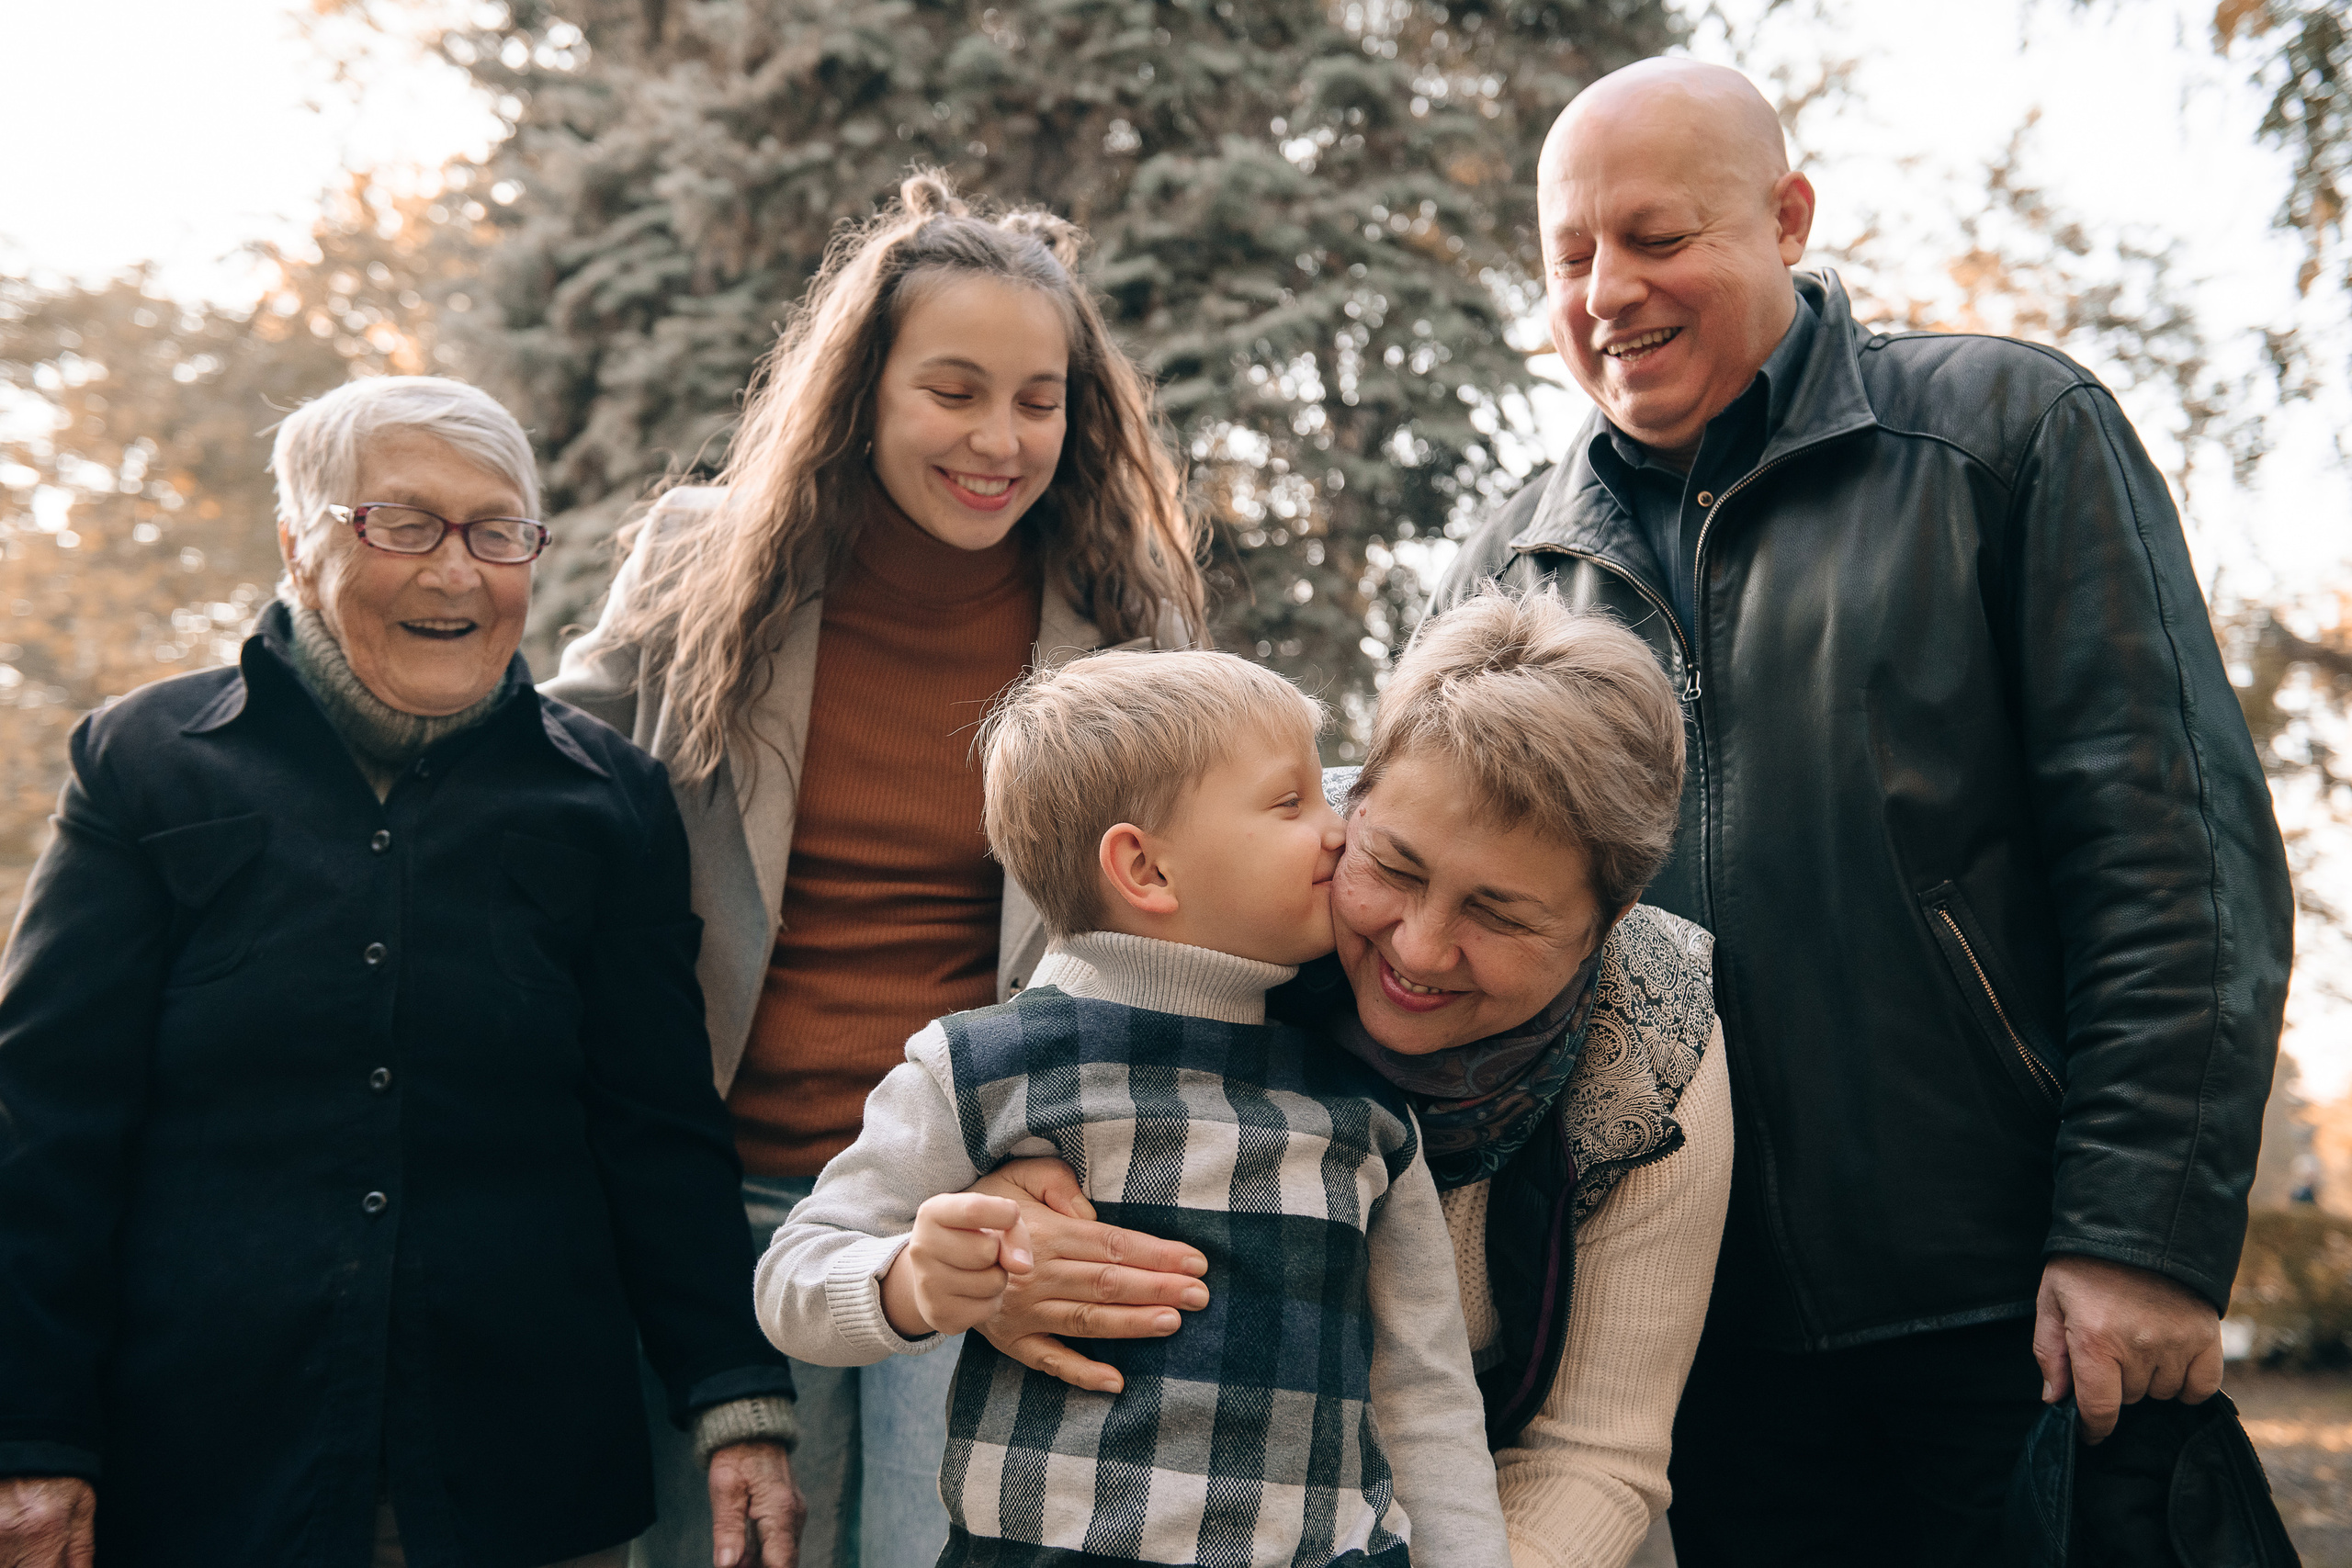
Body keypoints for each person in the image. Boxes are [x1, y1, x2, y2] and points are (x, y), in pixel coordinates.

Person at [1433, 60, 2293, 1564]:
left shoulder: (2007, 434)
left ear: (1788, 218)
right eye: (1570, 257)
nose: (1608, 289)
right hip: (1686, 1357)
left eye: (1656, 237)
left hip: (2016, 1322)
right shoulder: (1510, 566)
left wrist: (2138, 1235)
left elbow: (2175, 859)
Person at [0, 376, 801, 1568]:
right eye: (404, 523)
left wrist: (736, 1397)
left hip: (524, 1471)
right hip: (205, 1463)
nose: (457, 571)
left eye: (497, 530)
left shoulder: (609, 801)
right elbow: (43, 1121)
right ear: (298, 541)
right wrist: (34, 1431)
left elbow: (656, 1125)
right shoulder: (144, 767)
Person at [543, 172, 1204, 1566]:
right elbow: (545, 800)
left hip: (961, 1204)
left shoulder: (1126, 617)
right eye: (952, 389)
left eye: (1039, 398)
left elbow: (1158, 925)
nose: (999, 438)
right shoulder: (702, 571)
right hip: (702, 1201)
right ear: (865, 392)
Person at [960, 592, 1730, 1568]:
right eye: (1393, 867)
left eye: (1498, 914)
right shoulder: (1218, 876)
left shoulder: (1657, 1044)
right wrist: (1002, 1236)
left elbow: (1594, 1455)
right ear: (1355, 802)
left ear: (1604, 926)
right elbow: (1009, 1099)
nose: (1418, 948)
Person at [755, 649, 1510, 1567]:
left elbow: (1425, 1394)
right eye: (1291, 802)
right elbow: (791, 1277)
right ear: (1144, 867)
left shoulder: (1366, 1106)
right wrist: (910, 1281)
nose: (1337, 828)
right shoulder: (979, 1065)